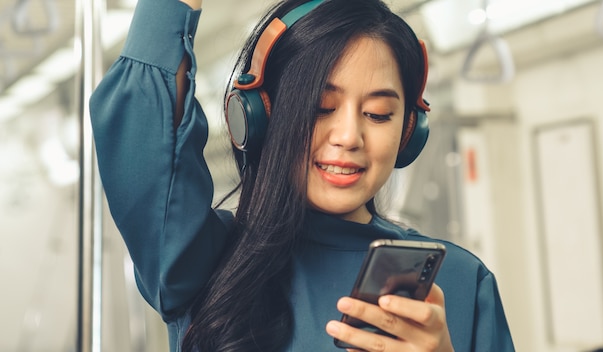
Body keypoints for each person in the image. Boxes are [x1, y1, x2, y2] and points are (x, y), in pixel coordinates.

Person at [89, 0, 516, 351]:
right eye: (320, 107)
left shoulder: (461, 283)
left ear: (409, 131)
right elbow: (142, 133)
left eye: (378, 114)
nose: (349, 136)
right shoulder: (203, 261)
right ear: (257, 116)